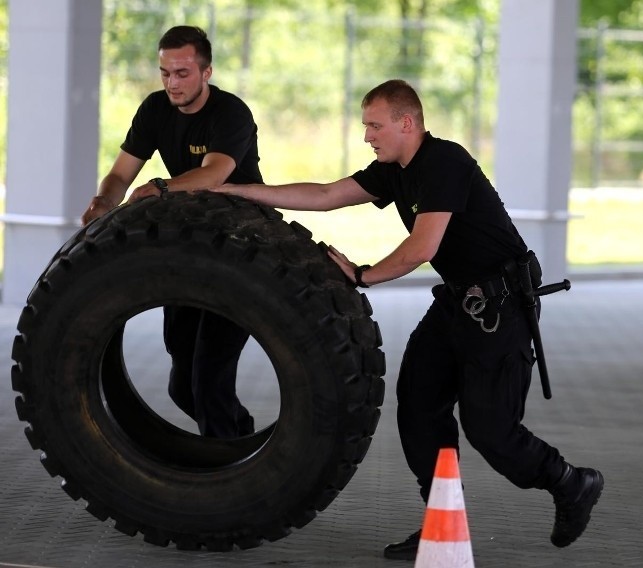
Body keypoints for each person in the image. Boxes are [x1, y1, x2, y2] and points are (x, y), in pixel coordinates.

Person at [212, 79, 604, 559]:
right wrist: (243, 193)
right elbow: (327, 193)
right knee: (419, 406)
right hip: (457, 303)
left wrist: (362, 274)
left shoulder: (444, 162)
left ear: (407, 122)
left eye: (375, 126)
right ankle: (439, 518)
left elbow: (422, 247)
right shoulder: (393, 169)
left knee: (490, 431)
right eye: (365, 127)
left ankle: (569, 481)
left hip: (499, 308)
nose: (367, 136)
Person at [81, 25, 263, 439]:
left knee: (208, 381)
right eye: (165, 73)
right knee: (183, 387)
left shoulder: (231, 113)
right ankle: (244, 441)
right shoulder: (155, 110)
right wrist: (104, 202)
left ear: (206, 72)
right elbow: (120, 174)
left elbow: (214, 174)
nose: (172, 83)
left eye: (182, 73)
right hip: (189, 249)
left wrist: (159, 187)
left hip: (243, 253)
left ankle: (228, 486)